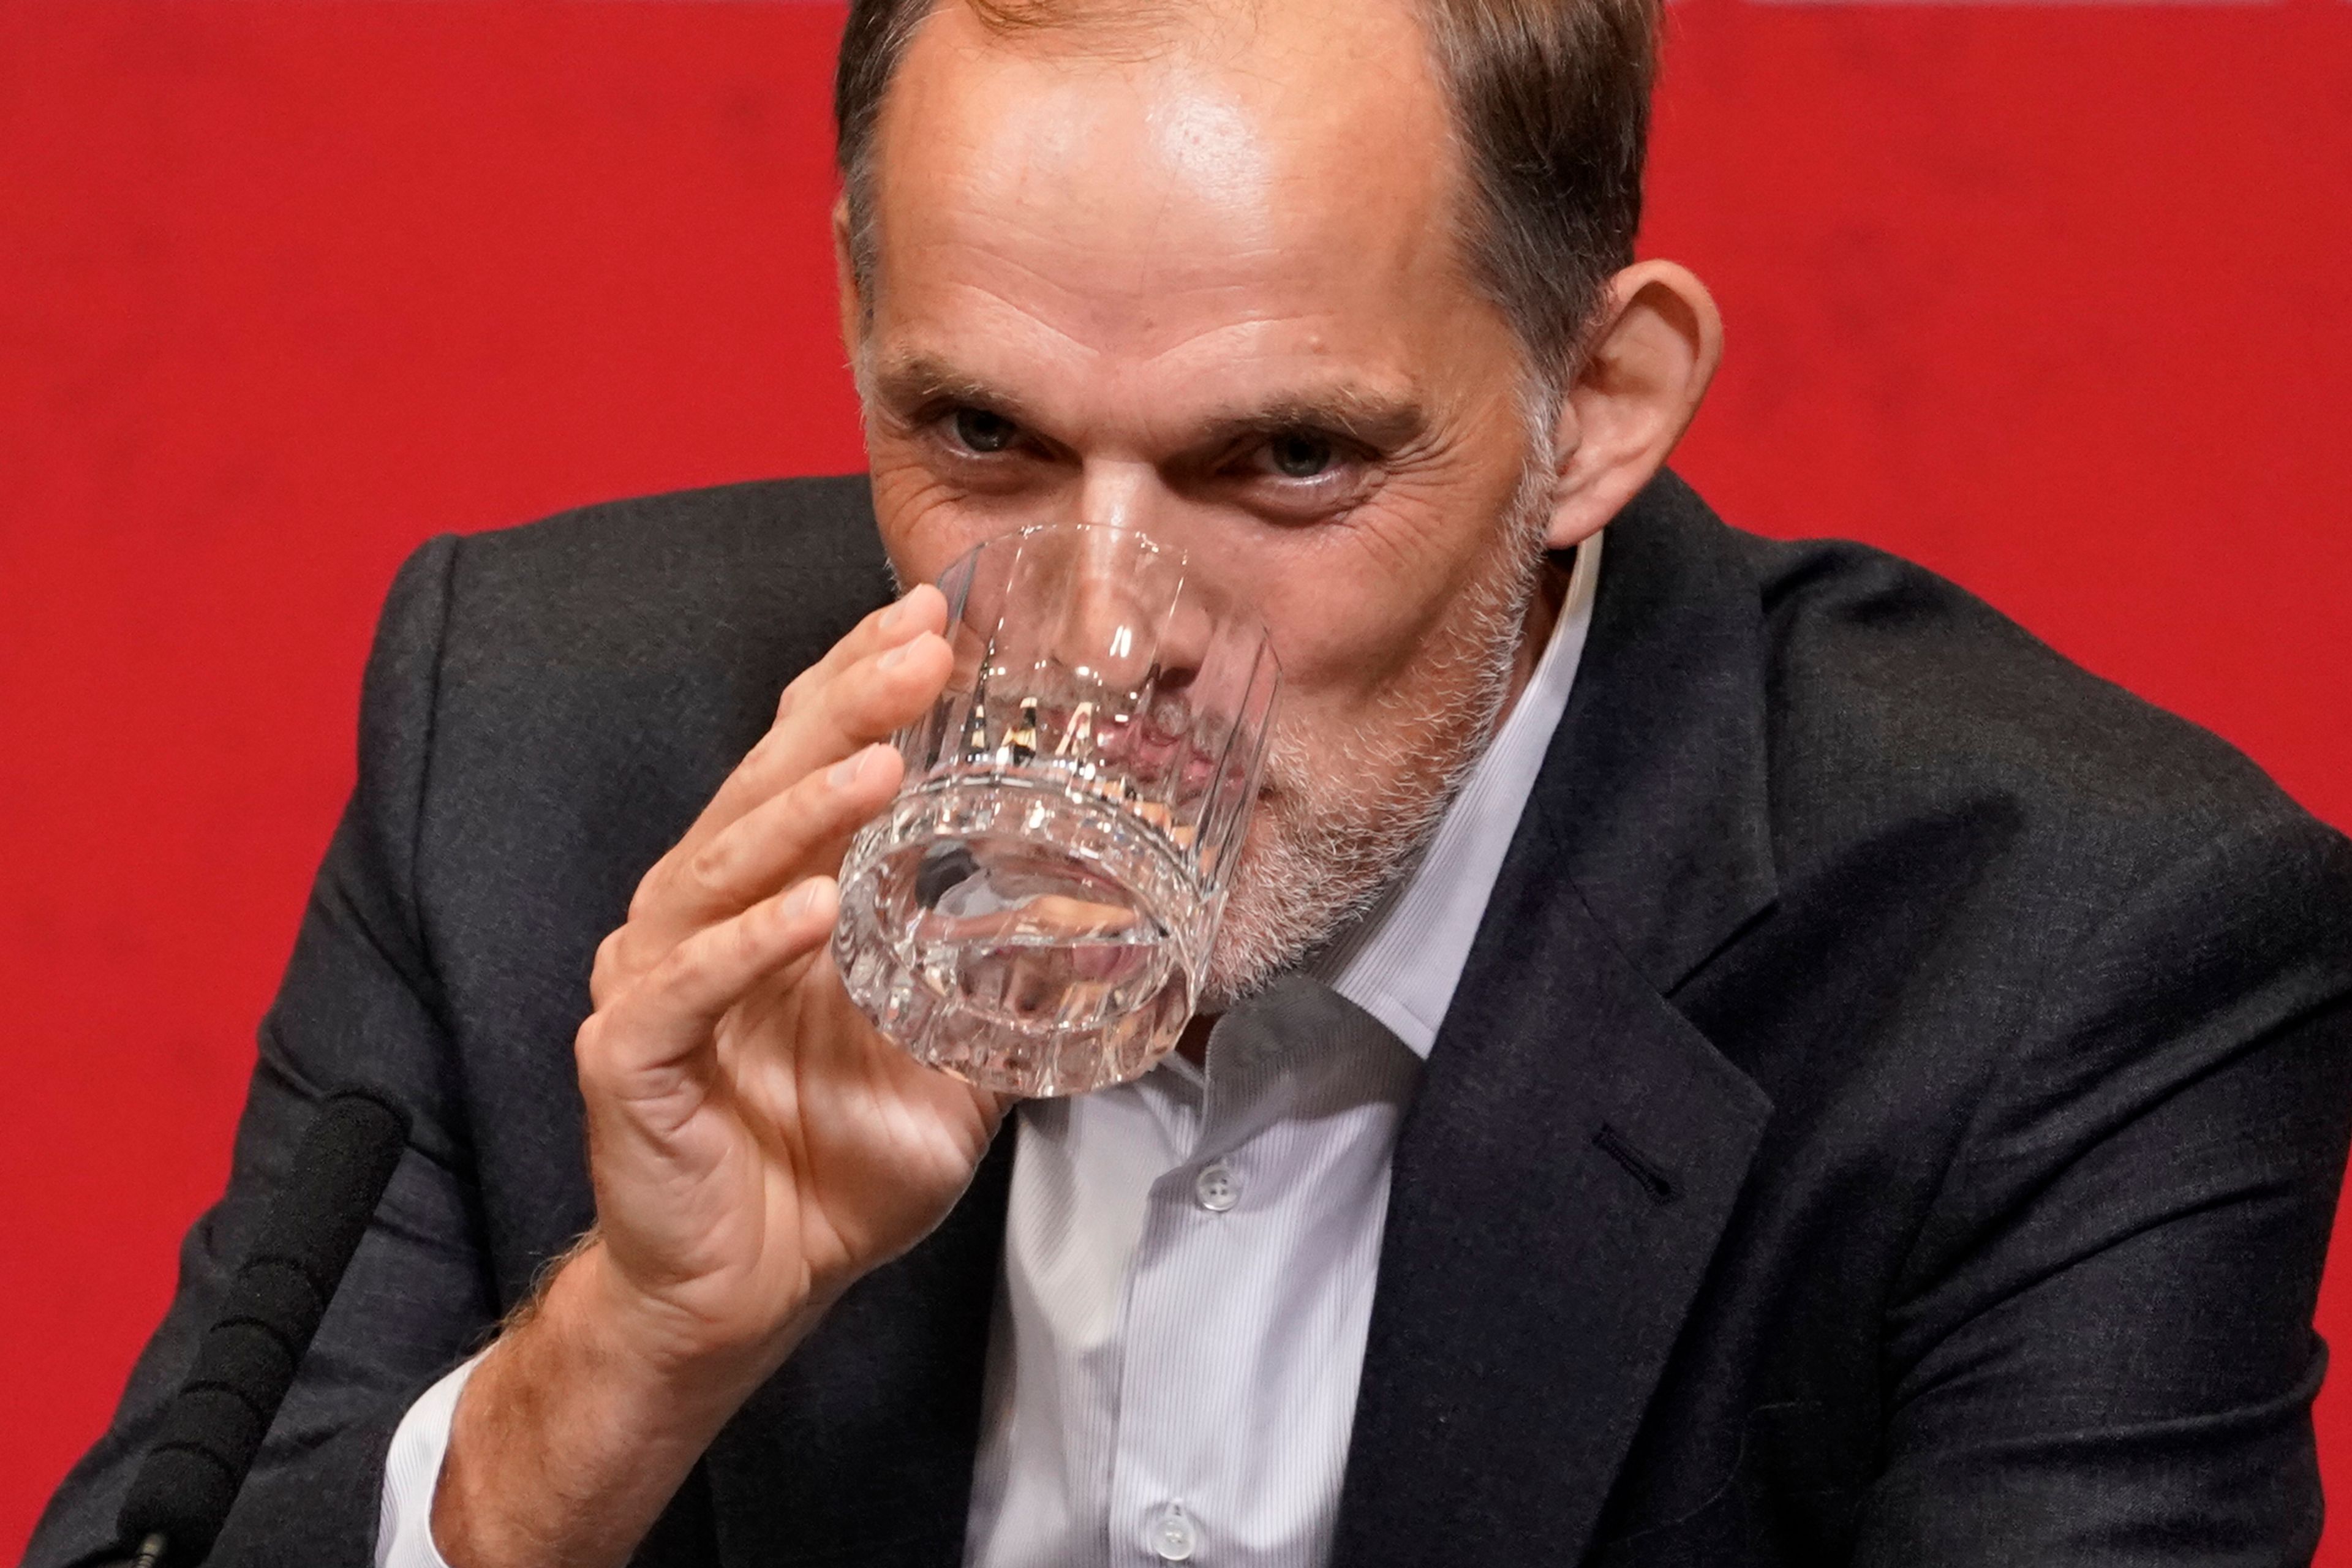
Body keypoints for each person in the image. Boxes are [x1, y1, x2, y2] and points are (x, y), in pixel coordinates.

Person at [31, 0, 2352, 1562]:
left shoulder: (2072, 960)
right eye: (978, 435)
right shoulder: (539, 739)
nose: (1115, 620)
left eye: (1290, 458)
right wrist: (622, 1363)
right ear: (856, 312)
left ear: (1605, 406)